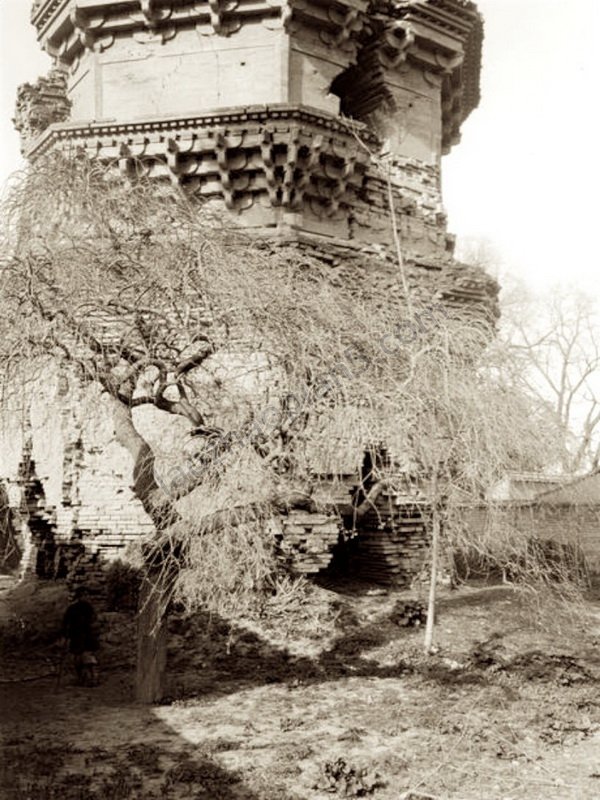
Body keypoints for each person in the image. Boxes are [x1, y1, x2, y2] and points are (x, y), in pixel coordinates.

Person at [61, 586, 99, 686]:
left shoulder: (88, 608)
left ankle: (92, 679)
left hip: (87, 636)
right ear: (79, 596)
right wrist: (66, 633)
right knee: (78, 659)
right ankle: (82, 678)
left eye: (87, 595)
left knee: (88, 658)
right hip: (76, 636)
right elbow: (65, 622)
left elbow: (94, 620)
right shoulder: (72, 608)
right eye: (84, 595)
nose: (87, 597)